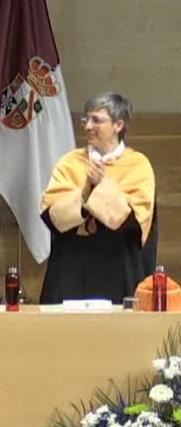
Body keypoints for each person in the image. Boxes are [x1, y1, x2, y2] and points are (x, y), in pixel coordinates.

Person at [39, 92, 155, 304]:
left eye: (96, 120)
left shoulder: (138, 165)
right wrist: (85, 192)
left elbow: (136, 224)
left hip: (118, 268)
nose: (88, 126)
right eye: (86, 119)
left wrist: (101, 185)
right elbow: (51, 216)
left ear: (118, 125)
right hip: (70, 267)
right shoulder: (70, 162)